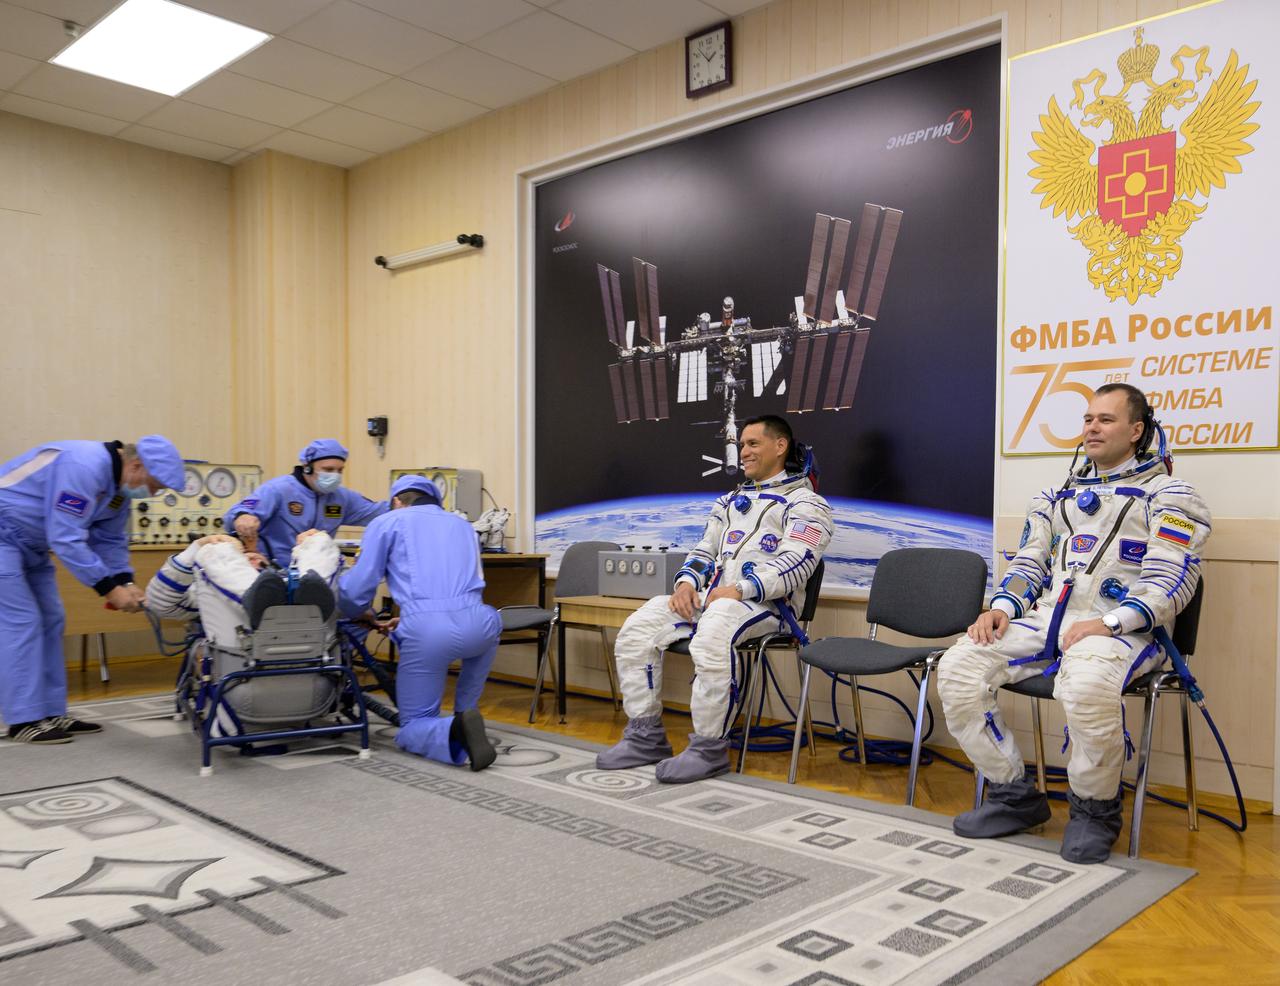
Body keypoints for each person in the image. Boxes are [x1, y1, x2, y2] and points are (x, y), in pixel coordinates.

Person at [937, 383, 1211, 863]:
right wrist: (1002, 607)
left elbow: (1170, 581)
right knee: (959, 666)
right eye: (1088, 419)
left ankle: (1094, 811)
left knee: (1085, 684)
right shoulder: (1055, 496)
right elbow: (1029, 562)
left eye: (1106, 419)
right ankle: (1013, 795)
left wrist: (1111, 622)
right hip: (1051, 619)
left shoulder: (1171, 496)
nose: (1092, 427)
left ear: (1137, 430)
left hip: (1128, 630)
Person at [598, 415, 832, 783]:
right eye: (742, 445)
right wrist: (685, 585)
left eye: (753, 443)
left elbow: (798, 562)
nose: (744, 452)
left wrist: (741, 589)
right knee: (640, 625)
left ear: (780, 446)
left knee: (715, 630)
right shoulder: (730, 501)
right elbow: (704, 551)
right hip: (716, 600)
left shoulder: (807, 504)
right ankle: (645, 737)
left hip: (769, 607)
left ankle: (708, 749)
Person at [0, 436, 185, 744]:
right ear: (136, 466)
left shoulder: (118, 491)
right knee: (22, 621)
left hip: (32, 546)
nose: (153, 494)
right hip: (4, 536)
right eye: (155, 486)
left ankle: (51, 711)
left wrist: (125, 582)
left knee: (52, 618)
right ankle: (23, 719)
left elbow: (110, 540)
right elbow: (66, 537)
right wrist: (108, 589)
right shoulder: (84, 466)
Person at [338, 475, 500, 771]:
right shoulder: (463, 525)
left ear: (397, 501)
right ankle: (466, 713)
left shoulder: (387, 522)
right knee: (471, 665)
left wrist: (354, 611)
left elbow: (358, 588)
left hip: (429, 631)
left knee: (413, 724)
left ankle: (455, 728)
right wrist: (413, 616)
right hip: (482, 623)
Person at [145, 530, 341, 649]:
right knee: (216, 548)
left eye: (256, 554)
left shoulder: (296, 579)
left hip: (314, 654)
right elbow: (160, 603)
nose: (252, 555)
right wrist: (196, 549)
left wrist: (307, 545)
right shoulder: (211, 593)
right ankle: (256, 596)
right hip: (244, 662)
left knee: (320, 541)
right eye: (243, 555)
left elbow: (348, 592)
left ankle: (290, 598)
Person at [223, 439, 386, 568]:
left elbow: (377, 512)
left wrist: (401, 502)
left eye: (340, 470)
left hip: (316, 576)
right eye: (328, 470)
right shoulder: (278, 490)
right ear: (307, 468)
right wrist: (242, 517)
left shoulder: (341, 497)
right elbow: (237, 513)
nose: (335, 476)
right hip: (274, 572)